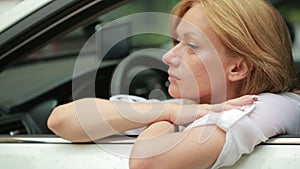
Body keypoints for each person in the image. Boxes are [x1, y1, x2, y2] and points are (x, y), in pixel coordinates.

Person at [47, 0, 300, 168]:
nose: (168, 56)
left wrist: (163, 117)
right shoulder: (190, 106)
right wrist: (168, 111)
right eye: (175, 42)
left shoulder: (276, 105)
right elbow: (61, 120)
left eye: (191, 46)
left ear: (237, 68)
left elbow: (146, 163)